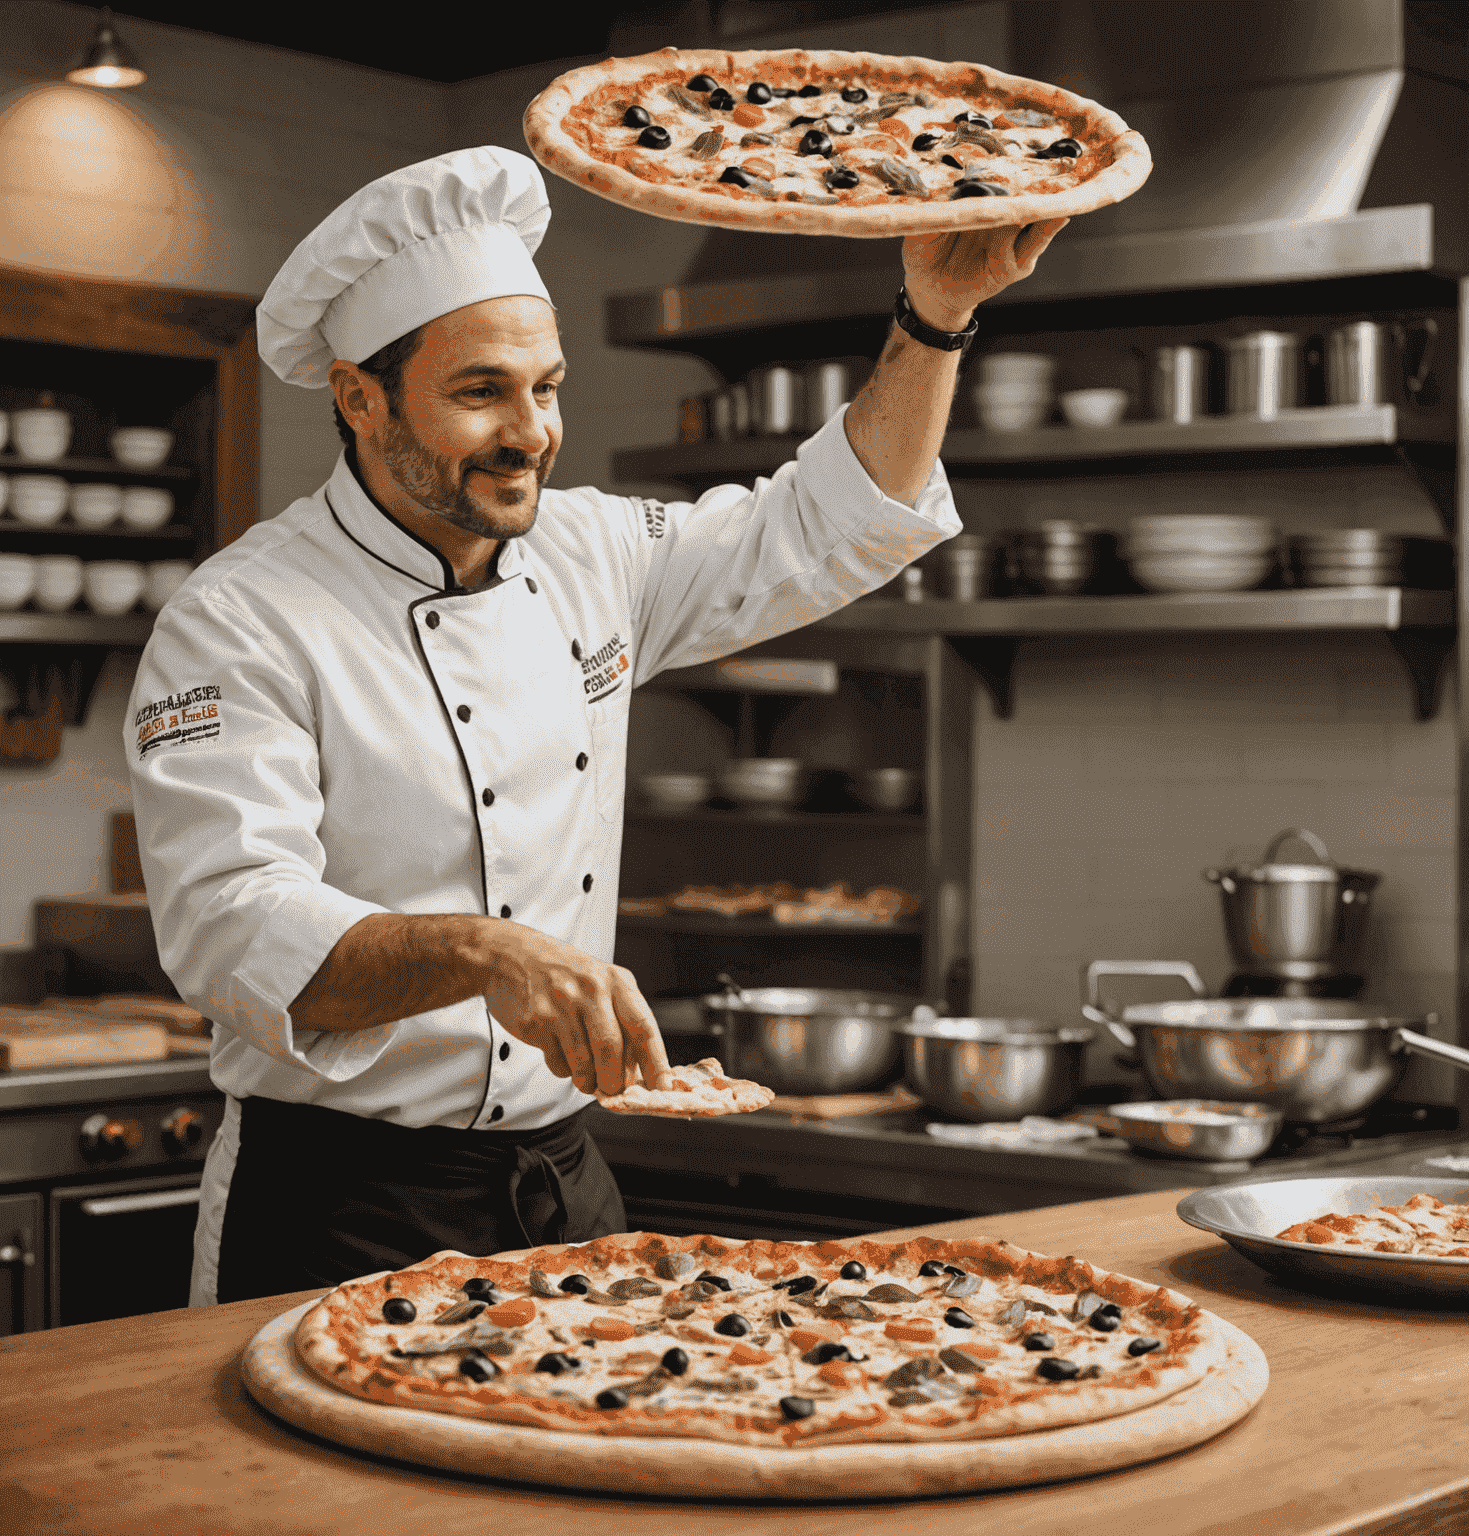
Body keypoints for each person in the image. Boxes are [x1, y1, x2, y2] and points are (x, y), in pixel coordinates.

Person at [124, 146, 1065, 1305]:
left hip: (565, 1186)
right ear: (359, 398)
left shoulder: (590, 551)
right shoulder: (240, 618)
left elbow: (830, 524)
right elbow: (230, 925)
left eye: (547, 386)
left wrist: (934, 318)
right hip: (341, 1203)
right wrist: (486, 953)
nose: (530, 431)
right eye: (481, 392)